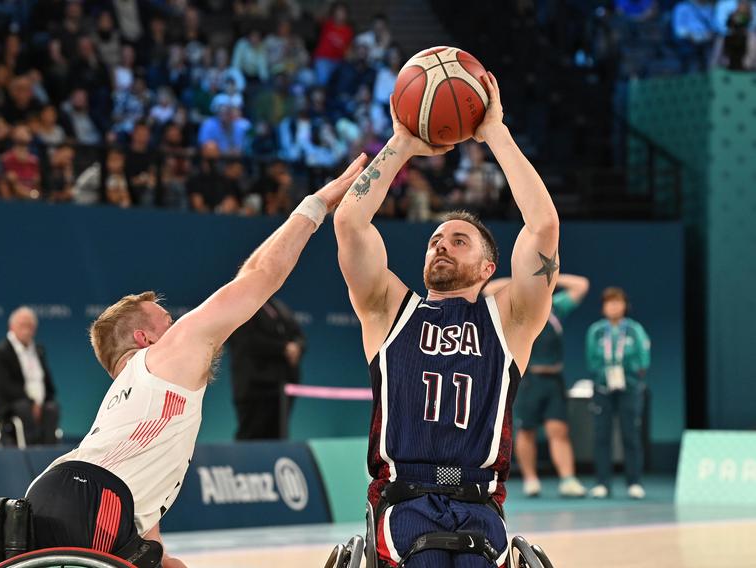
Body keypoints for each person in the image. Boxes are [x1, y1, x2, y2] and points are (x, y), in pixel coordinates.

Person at [23, 154, 367, 566]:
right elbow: (259, 276)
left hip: (53, 498)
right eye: (168, 321)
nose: (179, 325)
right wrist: (317, 203)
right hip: (94, 499)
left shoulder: (123, 411)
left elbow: (153, 543)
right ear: (144, 337)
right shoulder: (163, 355)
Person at [333, 72, 559, 567]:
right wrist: (401, 143)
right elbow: (350, 222)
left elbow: (542, 225)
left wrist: (493, 131)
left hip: (479, 503)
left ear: (488, 267)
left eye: (459, 241)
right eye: (436, 239)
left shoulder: (511, 320)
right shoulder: (389, 309)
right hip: (403, 503)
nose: (442, 245)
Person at [483, 274, 590, 498]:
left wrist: (548, 277)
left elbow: (581, 285)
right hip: (528, 380)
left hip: (554, 380)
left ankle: (568, 480)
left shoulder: (556, 307)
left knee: (558, 430)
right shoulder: (518, 310)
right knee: (527, 430)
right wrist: (523, 280)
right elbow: (489, 289)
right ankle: (531, 480)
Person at [586, 287, 651, 500]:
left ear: (625, 306)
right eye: (609, 303)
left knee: (631, 435)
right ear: (603, 307)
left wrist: (631, 377)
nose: (613, 306)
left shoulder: (634, 330)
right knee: (601, 436)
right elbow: (591, 359)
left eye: (618, 302)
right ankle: (602, 483)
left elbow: (643, 359)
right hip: (603, 390)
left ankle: (634, 482)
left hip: (629, 389)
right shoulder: (596, 330)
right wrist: (603, 377)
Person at [228, 297, 305, 440]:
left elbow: (298, 334)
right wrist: (284, 348)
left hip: (280, 389)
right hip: (255, 389)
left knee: (277, 438)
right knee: (252, 437)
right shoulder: (241, 305)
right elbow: (248, 341)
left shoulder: (277, 305)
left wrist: (297, 346)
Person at [0, 307, 60, 446]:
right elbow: (4, 386)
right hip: (11, 404)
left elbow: (47, 382)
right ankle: (29, 452)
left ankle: (48, 452)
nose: (27, 330)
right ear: (12, 327)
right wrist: (32, 403)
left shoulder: (39, 350)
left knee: (52, 408)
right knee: (23, 408)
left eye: (30, 326)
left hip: (38, 403)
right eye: (22, 325)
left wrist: (43, 401)